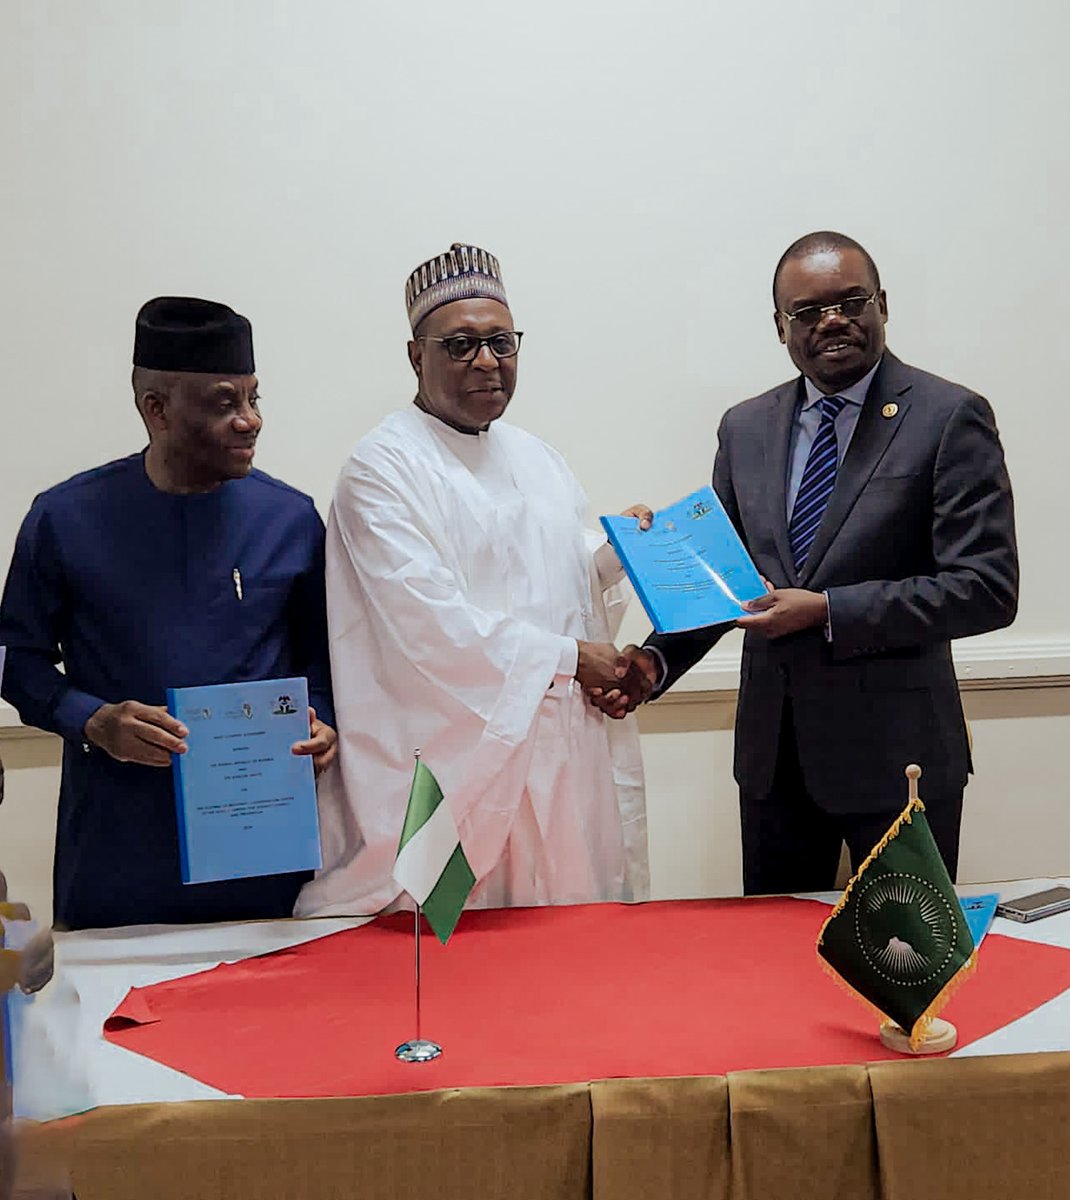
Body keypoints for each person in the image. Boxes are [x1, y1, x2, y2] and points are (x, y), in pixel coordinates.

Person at [607, 231, 1017, 893]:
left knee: (906, 970)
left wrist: (828, 612)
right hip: (776, 763)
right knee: (772, 976)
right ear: (780, 327)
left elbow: (986, 587)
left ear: (882, 304)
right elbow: (727, 582)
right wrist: (652, 663)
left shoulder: (948, 417)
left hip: (900, 759)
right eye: (806, 311)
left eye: (850, 301)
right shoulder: (745, 428)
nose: (831, 320)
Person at [297, 243, 650, 919]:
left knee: (563, 958)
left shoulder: (537, 458)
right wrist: (572, 658)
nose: (486, 361)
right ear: (414, 356)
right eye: (460, 345)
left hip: (554, 761)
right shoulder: (382, 467)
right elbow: (428, 621)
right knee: (463, 961)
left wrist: (615, 552)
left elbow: (554, 575)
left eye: (500, 342)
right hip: (456, 771)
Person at [0, 297, 337, 930]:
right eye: (223, 403)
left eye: (254, 398)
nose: (250, 421)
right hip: (120, 851)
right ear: (156, 408)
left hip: (263, 857)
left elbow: (325, 656)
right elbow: (17, 662)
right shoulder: (64, 519)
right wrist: (94, 720)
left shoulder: (290, 520)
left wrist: (325, 724)